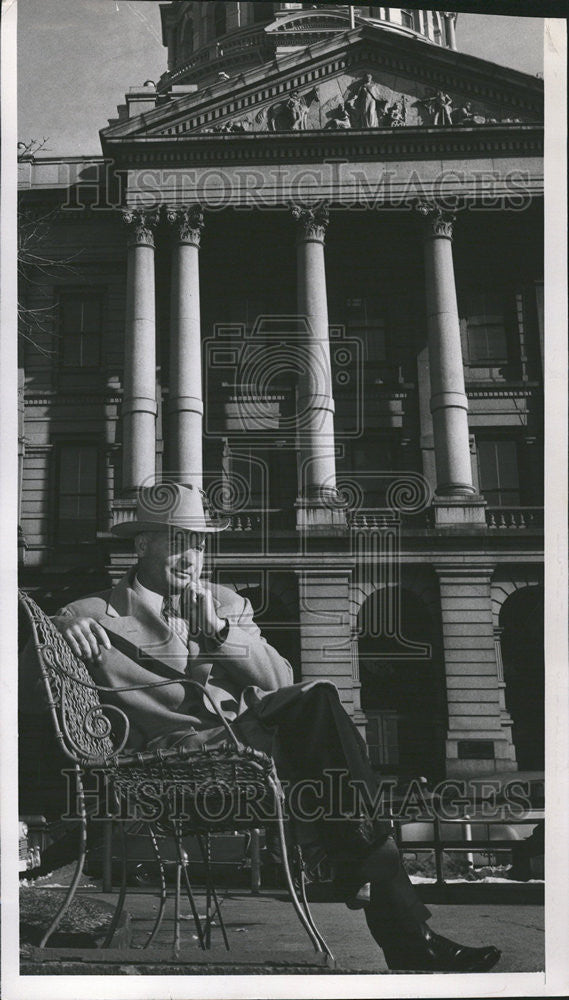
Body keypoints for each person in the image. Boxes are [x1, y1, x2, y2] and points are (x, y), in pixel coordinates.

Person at [35, 483, 501, 972]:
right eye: (177, 540)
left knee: (316, 699)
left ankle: (393, 918)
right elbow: (28, 689)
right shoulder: (90, 615)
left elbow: (279, 679)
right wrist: (56, 632)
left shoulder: (226, 603)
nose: (192, 555)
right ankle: (391, 913)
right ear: (142, 545)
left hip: (249, 746)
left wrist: (218, 632)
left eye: (199, 542)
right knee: (318, 713)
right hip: (172, 759)